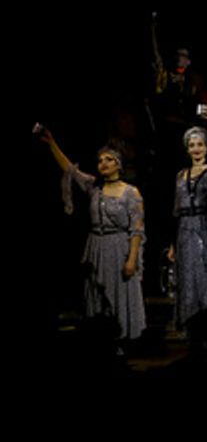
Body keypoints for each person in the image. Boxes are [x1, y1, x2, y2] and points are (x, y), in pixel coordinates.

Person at [40, 128, 146, 348]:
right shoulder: (94, 188)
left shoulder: (131, 193)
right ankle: (101, 340)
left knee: (118, 293)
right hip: (96, 246)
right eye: (100, 160)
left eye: (109, 160)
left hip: (119, 247)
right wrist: (52, 143)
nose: (103, 164)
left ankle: (122, 340)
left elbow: (137, 230)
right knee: (96, 294)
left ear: (119, 164)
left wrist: (132, 259)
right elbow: (69, 169)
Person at [167, 107, 207, 352]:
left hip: (206, 228)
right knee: (188, 282)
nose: (196, 149)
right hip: (185, 231)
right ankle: (193, 336)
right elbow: (176, 211)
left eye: (200, 145)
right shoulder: (181, 175)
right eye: (192, 145)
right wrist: (173, 244)